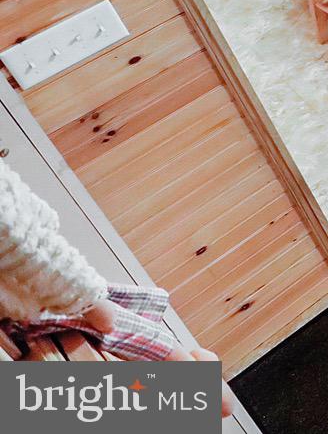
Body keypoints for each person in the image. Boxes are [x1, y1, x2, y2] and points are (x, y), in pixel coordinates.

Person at [1, 156, 228, 410]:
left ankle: (204, 365)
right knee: (212, 401)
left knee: (218, 402)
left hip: (62, 307)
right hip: (53, 310)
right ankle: (204, 364)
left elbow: (30, 246)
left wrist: (91, 303)